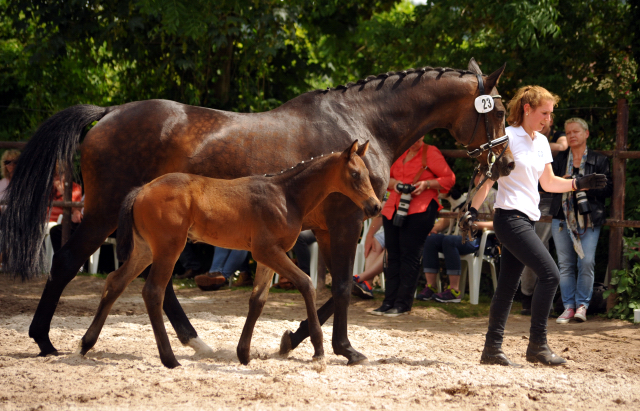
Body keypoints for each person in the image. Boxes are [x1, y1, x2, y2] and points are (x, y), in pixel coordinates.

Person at [463, 85, 607, 367]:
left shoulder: (541, 142)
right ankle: (538, 346)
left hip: (526, 219)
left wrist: (580, 183)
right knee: (550, 274)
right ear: (527, 109)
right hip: (509, 219)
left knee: (507, 287)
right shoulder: (508, 137)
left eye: (551, 114)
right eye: (544, 113)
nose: (548, 120)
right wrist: (469, 210)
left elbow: (548, 183)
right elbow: (488, 178)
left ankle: (491, 350)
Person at [370, 138, 455, 317]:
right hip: (393, 208)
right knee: (392, 256)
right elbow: (385, 178)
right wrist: (398, 185)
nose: (416, 141)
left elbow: (449, 179)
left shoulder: (430, 152)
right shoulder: (399, 151)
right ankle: (388, 302)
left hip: (421, 208)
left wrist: (427, 184)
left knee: (409, 256)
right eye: (413, 137)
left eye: (420, 137)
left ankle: (402, 304)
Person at [551, 117, 612, 324]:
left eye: (576, 132)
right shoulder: (559, 160)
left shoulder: (600, 160)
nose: (571, 136)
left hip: (589, 219)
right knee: (565, 264)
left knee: (586, 262)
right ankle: (568, 306)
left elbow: (609, 189)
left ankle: (583, 305)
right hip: (561, 217)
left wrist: (586, 186)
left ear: (586, 134)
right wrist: (566, 182)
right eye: (568, 133)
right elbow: (546, 185)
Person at [418, 174, 497, 303]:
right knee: (431, 239)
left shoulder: (495, 195)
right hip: (463, 236)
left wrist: (475, 225)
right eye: (477, 175)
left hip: (481, 239)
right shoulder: (468, 195)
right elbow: (452, 218)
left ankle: (454, 291)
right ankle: (431, 287)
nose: (479, 178)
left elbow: (498, 224)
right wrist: (434, 229)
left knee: (450, 241)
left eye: (483, 175)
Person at [519, 116, 568, 315]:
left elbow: (563, 146)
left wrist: (539, 144)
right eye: (541, 116)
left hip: (552, 196)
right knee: (535, 245)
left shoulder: (554, 137)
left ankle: (538, 297)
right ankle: (528, 295)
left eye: (547, 117)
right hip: (531, 196)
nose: (543, 120)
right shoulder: (525, 136)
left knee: (540, 245)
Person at [352, 206, 386, 299]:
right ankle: (367, 285)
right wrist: (369, 235)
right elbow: (381, 215)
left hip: (407, 233)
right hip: (390, 231)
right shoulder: (390, 193)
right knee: (375, 241)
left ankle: (359, 278)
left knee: (392, 248)